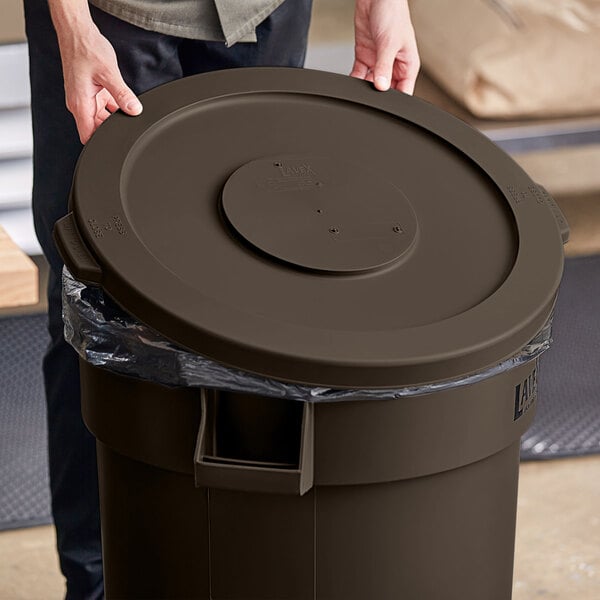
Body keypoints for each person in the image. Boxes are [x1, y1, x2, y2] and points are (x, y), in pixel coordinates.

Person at [23, 0, 420, 597]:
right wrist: (75, 29)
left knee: (257, 300)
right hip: (117, 21)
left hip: (264, 12)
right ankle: (100, 583)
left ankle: (230, 572)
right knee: (102, 306)